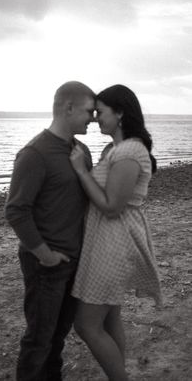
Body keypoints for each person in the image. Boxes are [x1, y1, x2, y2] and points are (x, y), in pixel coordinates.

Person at [70, 84, 162, 381]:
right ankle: (118, 374)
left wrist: (81, 171)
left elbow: (112, 207)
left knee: (86, 325)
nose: (96, 118)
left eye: (100, 112)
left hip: (115, 243)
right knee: (109, 318)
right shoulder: (115, 149)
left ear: (120, 113)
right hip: (106, 241)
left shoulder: (131, 151)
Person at [5, 81, 95, 381]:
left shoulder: (81, 151)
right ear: (68, 108)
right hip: (46, 265)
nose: (92, 118)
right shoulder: (35, 153)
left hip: (74, 261)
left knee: (57, 339)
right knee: (38, 340)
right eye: (88, 111)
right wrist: (45, 255)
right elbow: (16, 210)